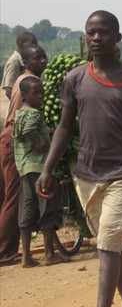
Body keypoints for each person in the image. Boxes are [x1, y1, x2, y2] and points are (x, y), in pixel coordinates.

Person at [37, 10, 122, 307]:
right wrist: (47, 168)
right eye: (90, 32)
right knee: (112, 242)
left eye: (103, 32)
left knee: (107, 242)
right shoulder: (76, 78)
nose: (95, 38)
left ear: (117, 38)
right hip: (87, 175)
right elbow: (64, 127)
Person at [0, 43, 48, 265]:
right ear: (25, 62)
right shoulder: (28, 83)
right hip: (17, 143)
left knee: (14, 196)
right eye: (38, 58)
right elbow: (24, 123)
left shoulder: (25, 82)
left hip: (12, 139)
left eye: (44, 57)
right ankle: (6, 251)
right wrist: (40, 141)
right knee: (15, 197)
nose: (43, 61)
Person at [13, 77, 64, 267]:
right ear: (24, 95)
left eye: (42, 92)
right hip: (39, 167)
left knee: (27, 209)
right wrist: (42, 143)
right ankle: (49, 254)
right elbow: (28, 131)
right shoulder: (34, 114)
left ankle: (26, 256)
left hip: (25, 167)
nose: (41, 96)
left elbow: (18, 134)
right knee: (47, 207)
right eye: (36, 93)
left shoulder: (19, 113)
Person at [2, 31, 36, 100]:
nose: (34, 48)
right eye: (31, 45)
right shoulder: (14, 62)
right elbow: (9, 90)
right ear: (21, 45)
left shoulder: (24, 61)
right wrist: (22, 106)